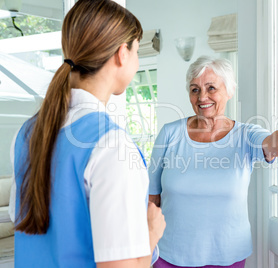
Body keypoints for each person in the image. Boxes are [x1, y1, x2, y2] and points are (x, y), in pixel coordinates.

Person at [8, 0, 165, 267]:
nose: (137, 62)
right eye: (137, 51)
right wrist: (151, 234)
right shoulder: (112, 146)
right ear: (121, 54)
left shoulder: (25, 135)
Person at [148, 55, 278, 268]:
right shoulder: (169, 133)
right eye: (195, 89)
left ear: (229, 91)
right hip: (170, 254)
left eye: (211, 88)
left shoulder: (246, 134)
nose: (202, 97)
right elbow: (152, 198)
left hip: (227, 254)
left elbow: (270, 145)